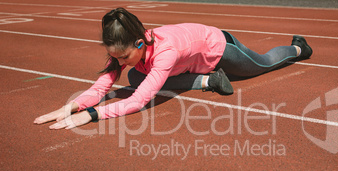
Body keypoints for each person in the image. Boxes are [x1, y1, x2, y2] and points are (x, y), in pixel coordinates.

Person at [34, 7, 312, 129]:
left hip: (218, 48)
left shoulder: (165, 53)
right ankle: (208, 82)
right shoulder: (127, 48)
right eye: (113, 57)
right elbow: (102, 85)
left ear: (140, 43)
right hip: (186, 64)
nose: (117, 62)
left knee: (262, 64)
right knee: (134, 74)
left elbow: (139, 101)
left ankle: (299, 48)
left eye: (123, 55)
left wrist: (93, 115)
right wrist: (72, 106)